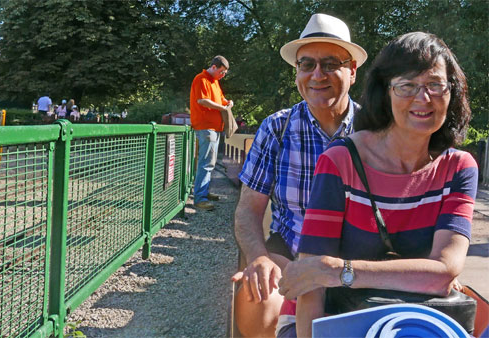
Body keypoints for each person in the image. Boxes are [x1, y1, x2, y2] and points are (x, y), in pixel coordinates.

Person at [276, 31, 477, 337]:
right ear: (385, 92)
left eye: (435, 85)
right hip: (329, 319)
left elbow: (444, 272)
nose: (423, 99)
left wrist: (337, 270)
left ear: (452, 92)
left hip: (412, 321)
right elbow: (311, 286)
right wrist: (421, 274)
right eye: (407, 85)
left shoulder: (459, 168)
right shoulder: (341, 161)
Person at [231, 13, 367, 337]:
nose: (317, 75)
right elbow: (248, 211)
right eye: (307, 65)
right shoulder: (276, 128)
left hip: (357, 265)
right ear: (297, 73)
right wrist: (258, 257)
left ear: (352, 70)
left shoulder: (374, 131)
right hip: (289, 255)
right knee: (255, 296)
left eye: (330, 64)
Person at [190, 55, 233, 211]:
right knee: (206, 163)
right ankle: (200, 198)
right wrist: (222, 108)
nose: (222, 76)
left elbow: (220, 99)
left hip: (214, 128)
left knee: (210, 163)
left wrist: (228, 102)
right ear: (214, 67)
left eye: (224, 74)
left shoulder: (215, 82)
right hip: (205, 127)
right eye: (221, 72)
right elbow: (202, 101)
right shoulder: (201, 79)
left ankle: (204, 193)